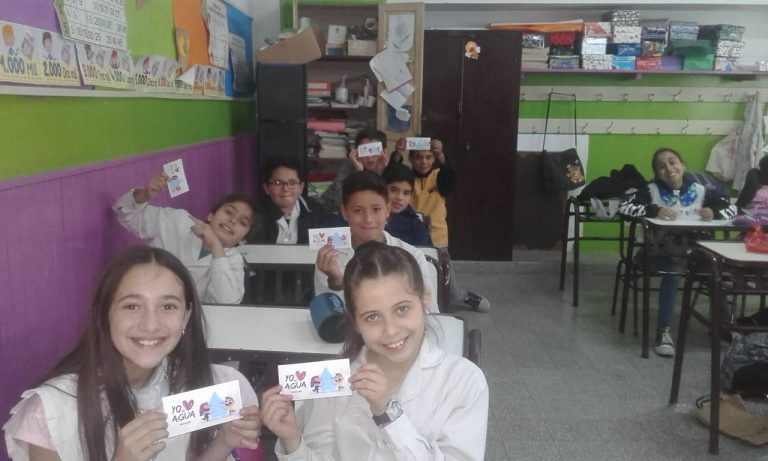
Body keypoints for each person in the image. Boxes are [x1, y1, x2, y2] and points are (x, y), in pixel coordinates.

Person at [3, 246, 261, 461]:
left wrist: (223, 442)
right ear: (102, 314)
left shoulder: (208, 385)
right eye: (132, 306)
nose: (150, 324)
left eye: (168, 306)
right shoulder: (51, 411)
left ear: (186, 316)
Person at [262, 241, 488, 460]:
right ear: (355, 322)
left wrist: (389, 413)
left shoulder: (463, 380)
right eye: (372, 317)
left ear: (424, 302)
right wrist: (293, 443)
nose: (390, 330)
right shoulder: (334, 380)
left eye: (402, 309)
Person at [618, 147, 736, 357]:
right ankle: (663, 331)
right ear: (657, 173)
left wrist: (715, 212)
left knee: (714, 271)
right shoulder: (650, 191)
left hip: (694, 253)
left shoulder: (701, 191)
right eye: (661, 166)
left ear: (683, 165)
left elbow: (732, 209)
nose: (668, 168)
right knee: (673, 271)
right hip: (657, 253)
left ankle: (725, 326)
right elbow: (624, 207)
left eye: (672, 162)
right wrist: (654, 210)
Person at [113, 172, 257, 304]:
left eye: (243, 222)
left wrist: (216, 247)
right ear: (210, 216)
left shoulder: (234, 262)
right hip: (142, 299)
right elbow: (125, 214)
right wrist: (144, 195)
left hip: (187, 320)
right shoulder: (178, 220)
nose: (232, 220)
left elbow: (226, 304)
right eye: (229, 212)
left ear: (243, 240)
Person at [314, 171, 439, 314]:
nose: (368, 219)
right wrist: (337, 282)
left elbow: (430, 312)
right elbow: (329, 317)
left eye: (376, 209)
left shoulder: (412, 256)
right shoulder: (330, 257)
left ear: (387, 210)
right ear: (344, 212)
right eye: (358, 211)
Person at [410, 138, 491, 313]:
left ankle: (464, 296)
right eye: (418, 157)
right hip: (411, 237)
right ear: (411, 159)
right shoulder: (406, 177)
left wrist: (442, 156)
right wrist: (396, 155)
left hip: (436, 236)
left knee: (449, 288)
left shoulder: (439, 176)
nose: (423, 162)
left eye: (428, 157)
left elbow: (452, 181)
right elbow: (391, 176)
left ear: (434, 159)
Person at [250, 155, 329, 245]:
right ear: (266, 188)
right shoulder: (254, 215)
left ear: (301, 187)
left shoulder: (319, 213)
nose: (286, 189)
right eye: (278, 183)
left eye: (292, 182)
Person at [318, 128, 390, 211]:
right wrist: (359, 174)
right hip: (330, 211)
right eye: (364, 151)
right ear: (357, 152)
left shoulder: (389, 168)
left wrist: (379, 173)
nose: (370, 157)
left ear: (384, 152)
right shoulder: (350, 165)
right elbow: (341, 202)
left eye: (374, 151)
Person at [382, 162, 432, 246]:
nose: (400, 198)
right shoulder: (370, 219)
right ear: (381, 188)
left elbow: (426, 252)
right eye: (393, 190)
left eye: (406, 193)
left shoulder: (416, 225)